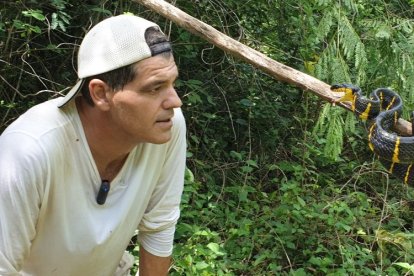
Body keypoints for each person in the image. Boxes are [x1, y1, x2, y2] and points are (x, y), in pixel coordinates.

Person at [0, 14, 186, 276]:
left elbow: (159, 226)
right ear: (101, 93)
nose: (174, 101)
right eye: (154, 89)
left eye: (172, 83)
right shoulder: (30, 149)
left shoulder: (166, 126)